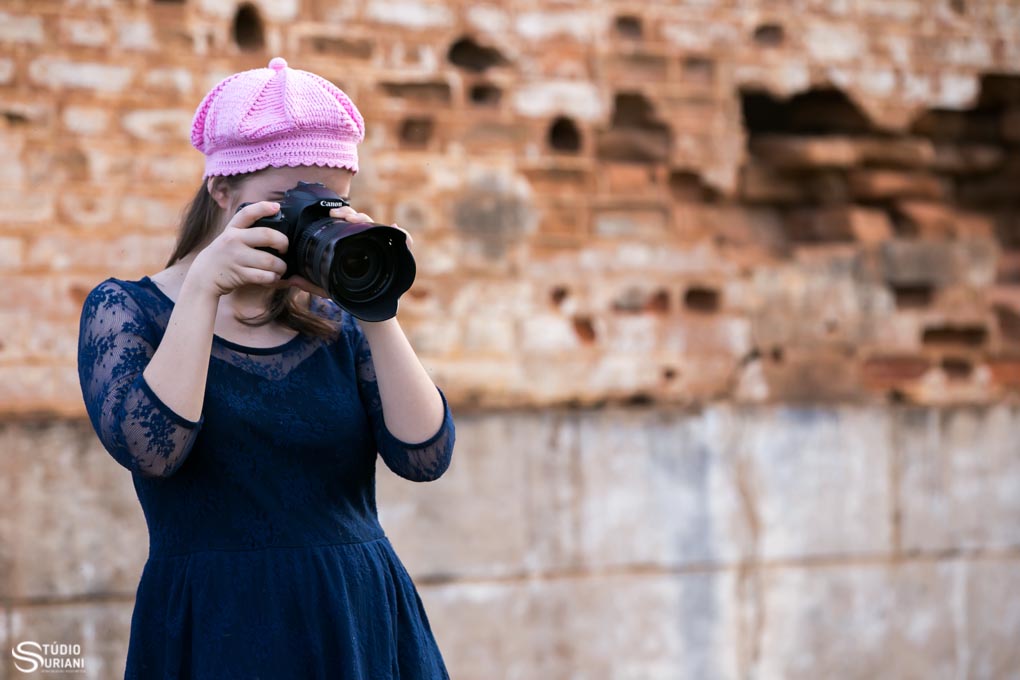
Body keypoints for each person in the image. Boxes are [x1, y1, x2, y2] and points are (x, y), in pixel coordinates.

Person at [76, 56, 456, 679]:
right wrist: (203, 290)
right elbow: (155, 449)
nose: (314, 220)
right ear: (221, 190)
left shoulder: (341, 325)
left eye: (331, 203)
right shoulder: (126, 311)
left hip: (357, 620)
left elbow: (425, 457)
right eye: (289, 200)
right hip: (219, 622)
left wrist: (375, 304)